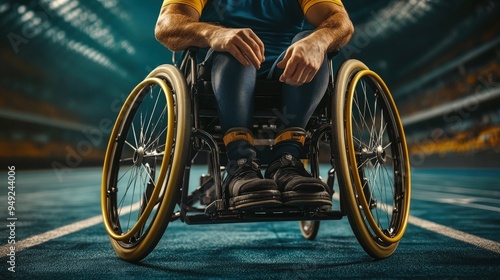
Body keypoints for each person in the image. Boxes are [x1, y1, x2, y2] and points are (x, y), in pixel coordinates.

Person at [155, 0, 354, 210]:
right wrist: (215, 34)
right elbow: (166, 26)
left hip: (284, 75)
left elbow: (340, 22)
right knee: (235, 47)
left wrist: (319, 41)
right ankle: (240, 164)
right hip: (218, 77)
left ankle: (286, 160)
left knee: (310, 41)